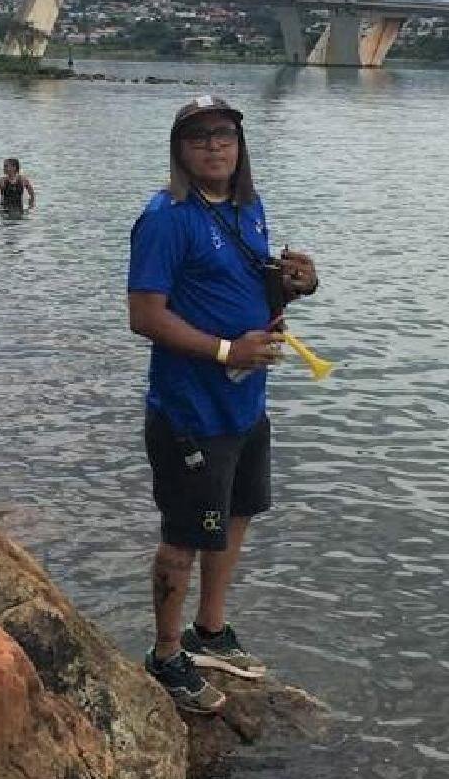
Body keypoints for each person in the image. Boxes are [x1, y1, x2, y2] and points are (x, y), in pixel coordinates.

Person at [127, 95, 319, 714]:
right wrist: (226, 351)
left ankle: (209, 631)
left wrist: (294, 284)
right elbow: (145, 317)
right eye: (200, 136)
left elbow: (247, 287)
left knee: (237, 517)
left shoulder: (247, 208)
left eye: (225, 135)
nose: (215, 146)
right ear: (180, 150)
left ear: (240, 145)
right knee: (183, 536)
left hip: (245, 408)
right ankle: (164, 656)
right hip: (191, 411)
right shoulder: (165, 217)